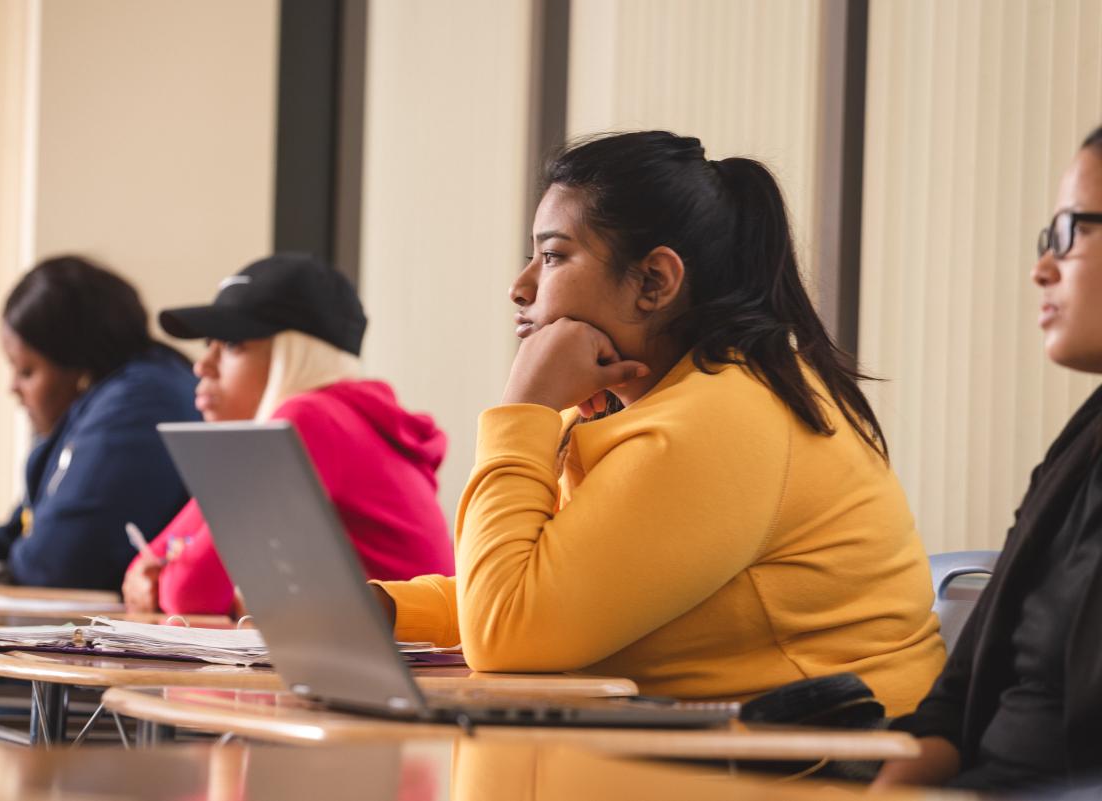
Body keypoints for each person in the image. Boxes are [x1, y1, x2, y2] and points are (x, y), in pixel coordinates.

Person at [370, 130, 945, 716]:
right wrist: (381, 612)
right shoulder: (668, 403)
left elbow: (507, 632)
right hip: (724, 751)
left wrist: (525, 410)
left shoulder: (725, 418)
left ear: (654, 281)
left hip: (823, 768)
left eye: (552, 256)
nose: (520, 288)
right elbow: (542, 587)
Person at [873, 127, 1102, 792]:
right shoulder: (1085, 436)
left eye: (1070, 232)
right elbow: (965, 686)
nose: (1042, 268)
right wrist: (909, 772)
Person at [122, 253, 454, 617]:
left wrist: (175, 581)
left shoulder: (310, 419)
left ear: (291, 357)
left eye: (232, 345)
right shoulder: (334, 419)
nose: (203, 365)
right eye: (208, 345)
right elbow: (149, 563)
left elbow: (190, 596)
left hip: (406, 668)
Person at [0, 256, 199, 590]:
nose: (12, 388)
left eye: (26, 371)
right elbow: (29, 538)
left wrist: (12, 558)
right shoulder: (98, 405)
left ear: (79, 365)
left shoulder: (140, 402)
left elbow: (58, 563)